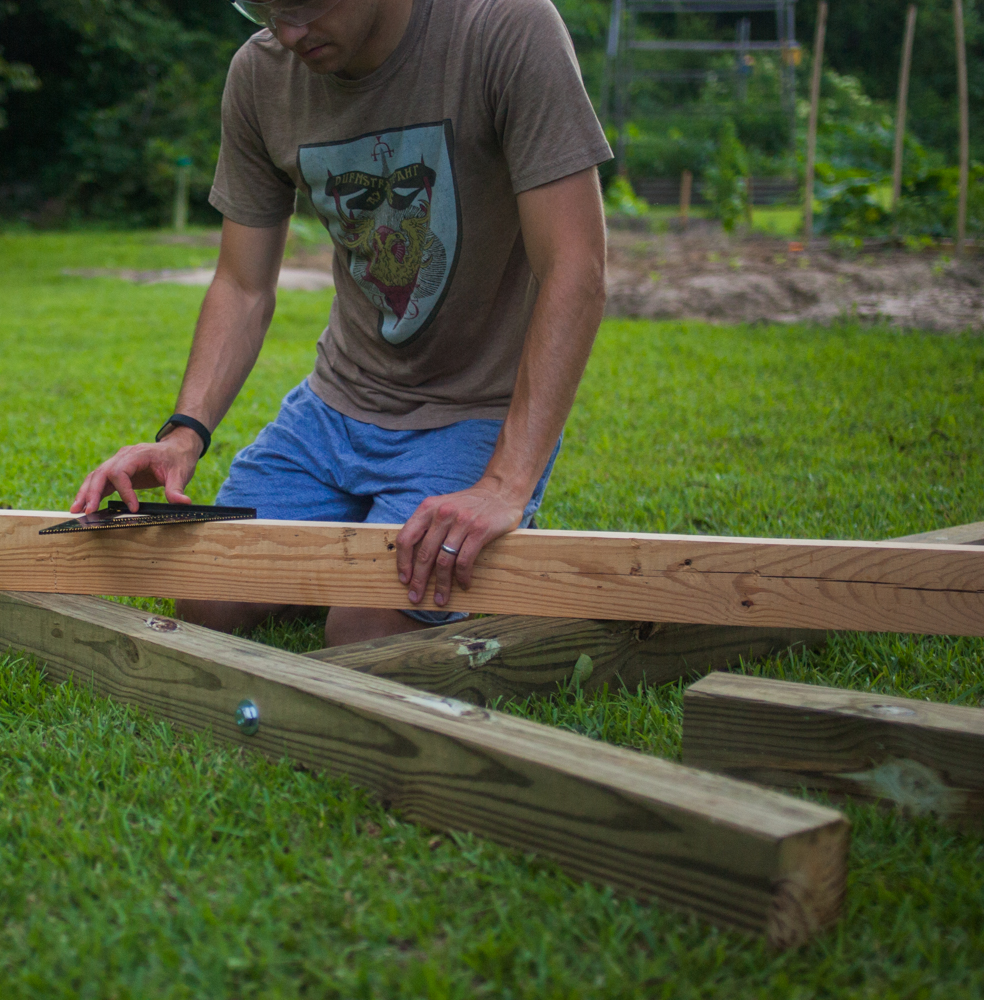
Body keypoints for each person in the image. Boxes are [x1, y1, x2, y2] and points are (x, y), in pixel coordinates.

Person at [72, 0, 611, 646]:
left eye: (304, 4)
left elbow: (575, 267)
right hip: (336, 408)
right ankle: (353, 545)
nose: (289, 31)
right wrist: (183, 436)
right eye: (266, 8)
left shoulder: (504, 28)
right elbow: (243, 286)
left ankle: (482, 569)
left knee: (361, 636)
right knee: (207, 598)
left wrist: (505, 483)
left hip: (474, 413)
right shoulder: (259, 75)